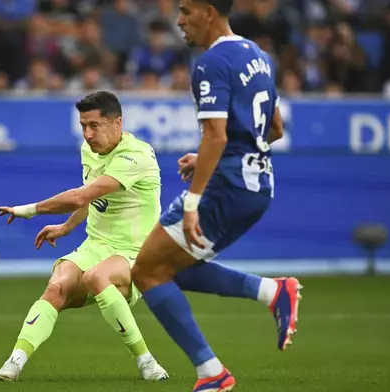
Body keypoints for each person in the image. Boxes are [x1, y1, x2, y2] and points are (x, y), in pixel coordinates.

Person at [130, 1, 302, 391]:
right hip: (258, 187)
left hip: (227, 188)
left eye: (186, 11)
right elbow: (273, 128)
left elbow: (217, 135)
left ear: (209, 12)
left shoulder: (210, 63)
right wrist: (213, 154)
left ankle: (212, 374)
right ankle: (272, 291)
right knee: (173, 267)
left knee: (147, 271)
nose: (179, 20)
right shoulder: (257, 55)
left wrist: (193, 200)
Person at [0, 91, 169, 382]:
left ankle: (148, 363)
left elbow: (80, 196)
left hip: (137, 254)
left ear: (117, 123)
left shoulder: (135, 155)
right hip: (95, 246)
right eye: (83, 125)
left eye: (94, 126)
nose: (87, 134)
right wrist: (66, 228)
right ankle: (14, 363)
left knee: (96, 277)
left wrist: (30, 210)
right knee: (57, 287)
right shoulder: (90, 150)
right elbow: (94, 198)